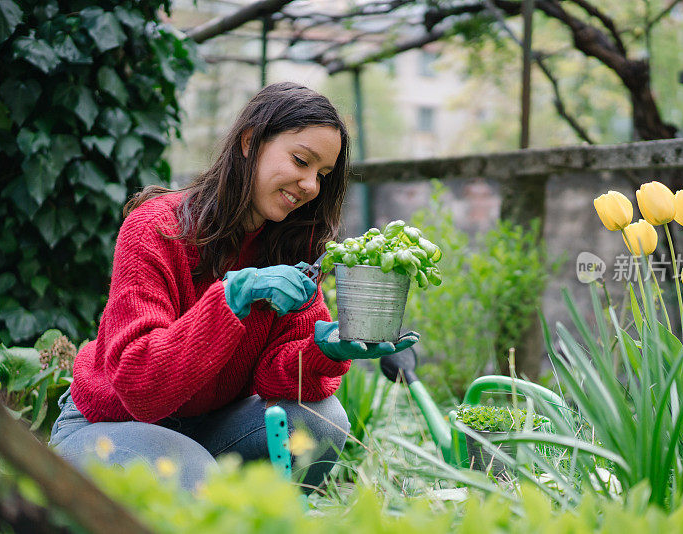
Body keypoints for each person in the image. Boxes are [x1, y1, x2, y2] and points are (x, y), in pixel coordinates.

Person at [49, 82, 419, 493]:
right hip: (110, 426)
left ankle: (247, 510)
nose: (311, 185)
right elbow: (141, 387)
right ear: (249, 141)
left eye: (322, 174)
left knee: (322, 422)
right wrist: (230, 299)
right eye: (301, 161)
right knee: (194, 473)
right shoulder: (157, 229)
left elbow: (275, 376)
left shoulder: (287, 245)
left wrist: (324, 350)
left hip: (209, 426)